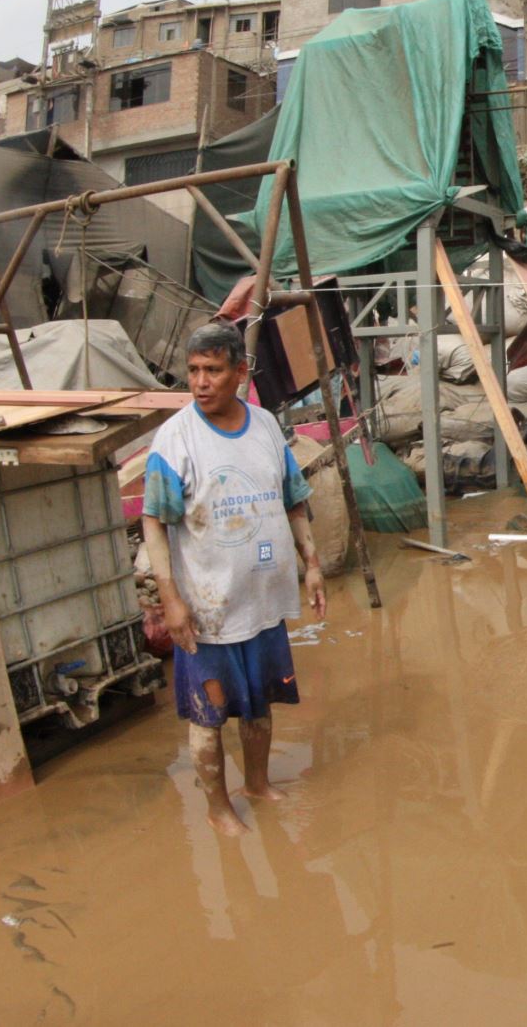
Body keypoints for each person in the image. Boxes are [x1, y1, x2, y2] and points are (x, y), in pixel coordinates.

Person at [140, 324, 327, 836]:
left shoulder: (265, 426)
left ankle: (258, 783)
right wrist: (170, 599)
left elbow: (293, 498)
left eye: (213, 371)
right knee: (209, 713)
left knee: (261, 704)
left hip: (262, 599)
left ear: (240, 373)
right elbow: (154, 520)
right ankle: (218, 808)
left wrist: (310, 564)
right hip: (207, 608)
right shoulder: (176, 439)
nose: (201, 382)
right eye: (194, 371)